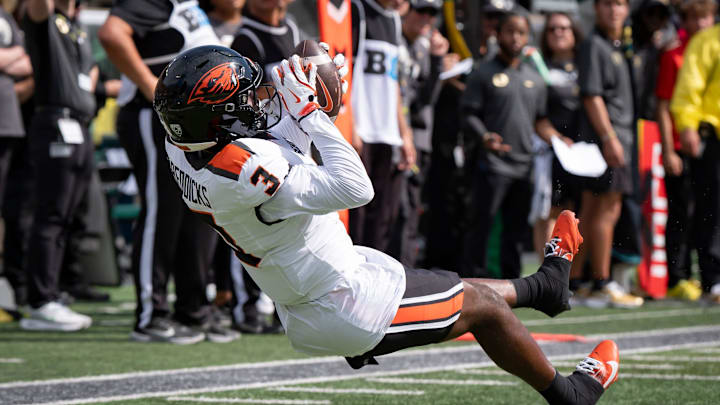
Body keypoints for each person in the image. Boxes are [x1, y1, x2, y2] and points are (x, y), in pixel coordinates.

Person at [155, 44, 620, 405]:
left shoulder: (184, 143)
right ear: (218, 119)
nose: (258, 102)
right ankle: (570, 395)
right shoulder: (247, 171)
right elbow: (357, 188)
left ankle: (545, 286)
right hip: (344, 302)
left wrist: (300, 68)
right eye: (245, 99)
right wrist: (311, 110)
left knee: (453, 287)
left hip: (322, 281)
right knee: (481, 307)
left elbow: (259, 119)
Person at [98, 0, 239, 343]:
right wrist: (150, 85)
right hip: (154, 116)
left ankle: (192, 310)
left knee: (197, 209)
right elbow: (111, 33)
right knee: (161, 210)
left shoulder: (189, 4)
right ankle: (151, 313)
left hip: (191, 119)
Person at [460, 10, 569, 280]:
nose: (515, 38)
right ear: (498, 34)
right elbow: (468, 114)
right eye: (510, 31)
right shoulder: (483, 73)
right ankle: (475, 282)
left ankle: (511, 287)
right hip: (492, 164)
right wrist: (484, 136)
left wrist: (558, 139)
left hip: (524, 166)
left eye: (521, 32)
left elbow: (540, 121)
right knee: (482, 227)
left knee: (515, 231)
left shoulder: (534, 78)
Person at [18, 0, 97, 331]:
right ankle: (40, 300)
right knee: (51, 215)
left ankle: (53, 291)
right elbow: (38, 8)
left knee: (66, 215)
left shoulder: (76, 25)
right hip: (56, 123)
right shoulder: (45, 19)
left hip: (79, 126)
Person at [573, 0, 644, 309]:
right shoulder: (594, 45)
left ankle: (577, 282)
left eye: (619, 3)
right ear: (596, 9)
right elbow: (592, 95)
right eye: (606, 4)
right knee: (605, 210)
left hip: (619, 138)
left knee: (593, 210)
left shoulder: (620, 45)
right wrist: (609, 137)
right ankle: (601, 281)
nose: (613, 10)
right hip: (608, 139)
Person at [656, 0, 716, 301]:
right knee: (680, 213)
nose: (701, 24)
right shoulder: (674, 54)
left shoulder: (711, 48)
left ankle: (705, 275)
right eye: (694, 18)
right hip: (681, 146)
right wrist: (669, 150)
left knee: (707, 213)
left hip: (708, 146)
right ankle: (678, 277)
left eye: (705, 18)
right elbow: (665, 105)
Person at [349, 0, 416, 253]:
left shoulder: (394, 19)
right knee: (357, 209)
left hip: (386, 131)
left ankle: (373, 275)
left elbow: (393, 81)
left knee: (382, 212)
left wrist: (404, 133)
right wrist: (351, 125)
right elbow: (346, 70)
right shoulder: (359, 11)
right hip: (361, 129)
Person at [391, 0, 448, 267]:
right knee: (393, 211)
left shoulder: (425, 48)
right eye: (421, 11)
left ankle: (405, 275)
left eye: (431, 14)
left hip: (418, 139)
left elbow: (426, 100)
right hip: (392, 138)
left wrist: (437, 62)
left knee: (410, 211)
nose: (426, 18)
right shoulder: (391, 38)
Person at [670, 19, 720, 304]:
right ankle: (714, 279)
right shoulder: (707, 40)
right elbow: (689, 87)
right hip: (714, 137)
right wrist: (687, 125)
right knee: (712, 210)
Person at [532, 12, 583, 261]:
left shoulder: (586, 65)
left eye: (564, 27)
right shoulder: (540, 66)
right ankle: (548, 273)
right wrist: (556, 138)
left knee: (576, 212)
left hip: (584, 153)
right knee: (549, 213)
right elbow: (536, 115)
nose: (558, 33)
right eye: (552, 29)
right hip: (551, 151)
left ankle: (573, 276)